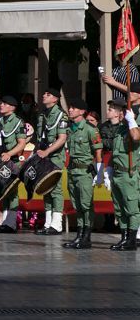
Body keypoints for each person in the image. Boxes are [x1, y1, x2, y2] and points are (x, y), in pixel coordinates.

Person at [62, 98, 103, 250]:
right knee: (77, 204)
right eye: (70, 108)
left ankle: (86, 236)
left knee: (86, 205)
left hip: (85, 171)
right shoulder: (70, 128)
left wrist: (99, 172)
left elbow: (98, 151)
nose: (70, 110)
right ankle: (79, 234)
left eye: (73, 108)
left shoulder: (91, 129)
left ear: (82, 111)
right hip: (73, 170)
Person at [104, 98, 140, 250]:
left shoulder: (134, 128)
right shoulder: (119, 129)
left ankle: (131, 239)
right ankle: (124, 237)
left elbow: (136, 138)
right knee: (119, 208)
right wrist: (109, 170)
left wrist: (132, 121)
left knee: (131, 208)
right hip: (118, 174)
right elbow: (115, 152)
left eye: (124, 111)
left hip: (128, 174)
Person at [33, 88, 69, 235]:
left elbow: (62, 138)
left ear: (55, 99)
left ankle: (57, 224)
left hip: (55, 157)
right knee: (46, 189)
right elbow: (40, 136)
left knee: (56, 190)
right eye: (44, 93)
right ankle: (48, 222)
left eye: (48, 94)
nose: (44, 95)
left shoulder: (61, 115)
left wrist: (47, 152)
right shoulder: (43, 114)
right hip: (44, 156)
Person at [0, 96, 29, 234]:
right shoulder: (1, 121)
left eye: (5, 104)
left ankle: (11, 223)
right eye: (1, 103)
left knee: (12, 191)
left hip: (13, 160)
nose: (1, 105)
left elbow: (21, 143)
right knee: (4, 191)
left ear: (13, 107)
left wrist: (9, 153)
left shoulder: (18, 122)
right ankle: (6, 221)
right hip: (2, 161)